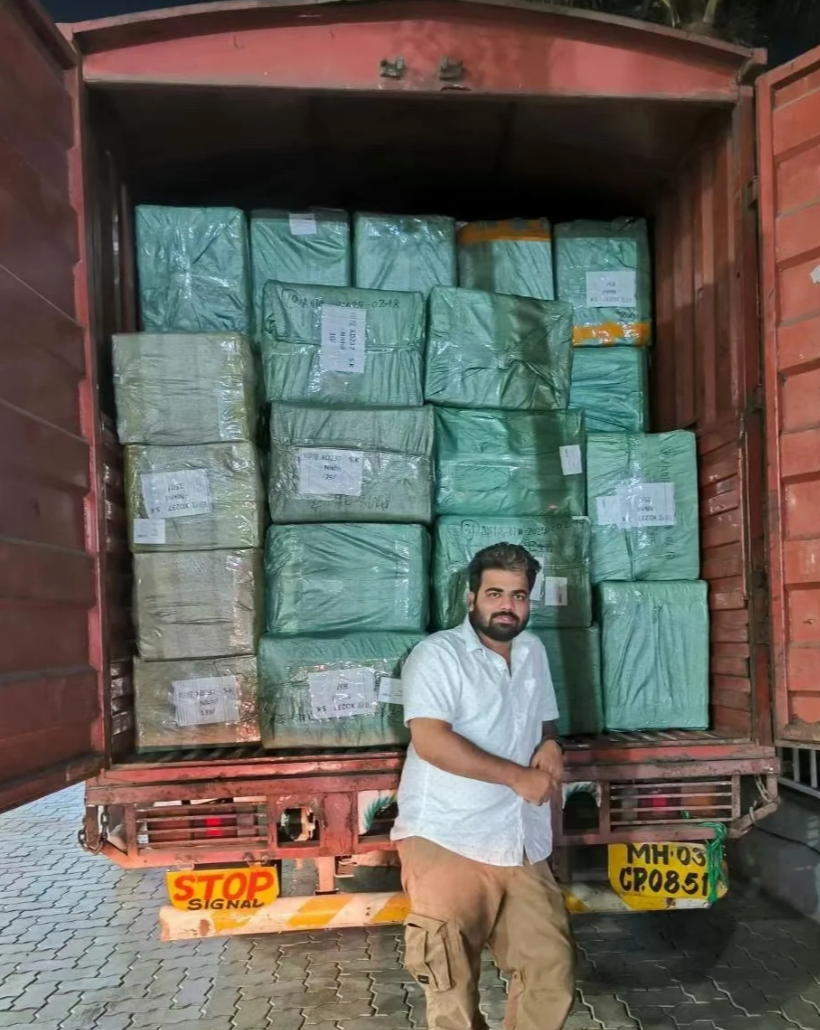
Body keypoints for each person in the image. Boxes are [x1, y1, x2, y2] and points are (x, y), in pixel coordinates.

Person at [391, 542, 575, 1030]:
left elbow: (546, 723)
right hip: (448, 836)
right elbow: (430, 741)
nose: (507, 606)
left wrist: (552, 745)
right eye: (495, 593)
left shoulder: (533, 651)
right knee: (451, 983)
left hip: (517, 838)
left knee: (550, 970)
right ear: (471, 597)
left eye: (518, 596)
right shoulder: (437, 656)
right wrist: (518, 777)